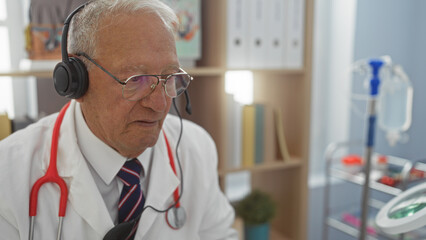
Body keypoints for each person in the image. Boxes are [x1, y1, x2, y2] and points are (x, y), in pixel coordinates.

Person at [0, 0, 238, 239]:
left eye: (169, 77)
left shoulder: (196, 148)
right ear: (76, 81)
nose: (159, 105)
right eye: (136, 80)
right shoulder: (9, 172)